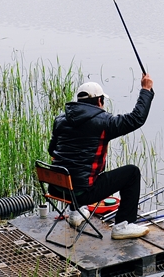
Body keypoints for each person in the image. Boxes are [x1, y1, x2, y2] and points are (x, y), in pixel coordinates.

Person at [48, 73, 154, 240]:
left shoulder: (60, 119)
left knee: (73, 169)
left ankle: (75, 213)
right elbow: (136, 119)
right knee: (132, 173)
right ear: (99, 101)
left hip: (57, 189)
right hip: (83, 193)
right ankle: (123, 225)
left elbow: (51, 150)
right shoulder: (104, 122)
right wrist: (146, 90)